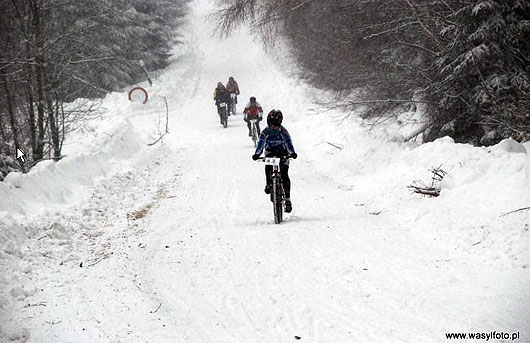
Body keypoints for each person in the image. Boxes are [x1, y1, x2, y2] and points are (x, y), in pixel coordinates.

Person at [252, 110, 297, 213]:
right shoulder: (265, 132)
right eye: (272, 125)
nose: (273, 127)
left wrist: (292, 153)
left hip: (283, 152)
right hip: (270, 152)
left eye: (276, 125)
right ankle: (268, 183)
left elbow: (289, 143)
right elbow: (261, 144)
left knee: (284, 173)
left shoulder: (283, 132)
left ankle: (288, 199)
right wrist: (257, 154)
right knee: (268, 167)